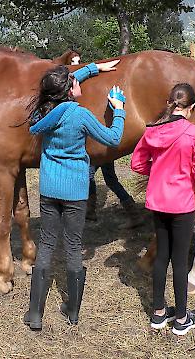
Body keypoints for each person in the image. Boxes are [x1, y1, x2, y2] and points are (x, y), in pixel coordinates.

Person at [23, 60, 125, 331]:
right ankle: (73, 311)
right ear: (69, 90)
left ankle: (35, 313)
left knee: (46, 244)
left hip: (49, 189)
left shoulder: (42, 114)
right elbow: (114, 138)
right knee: (72, 245)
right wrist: (120, 110)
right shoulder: (80, 115)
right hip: (76, 191)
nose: (78, 83)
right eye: (75, 82)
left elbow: (56, 86)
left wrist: (92, 69)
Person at [130, 83, 195, 336]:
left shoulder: (152, 131)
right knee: (179, 259)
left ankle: (158, 313)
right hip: (182, 203)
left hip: (158, 201)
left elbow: (137, 162)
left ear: (170, 103)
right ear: (192, 107)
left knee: (161, 255)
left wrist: (158, 173)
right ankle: (182, 318)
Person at [61, 50, 140, 226]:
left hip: (99, 142)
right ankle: (129, 211)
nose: (76, 63)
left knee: (93, 175)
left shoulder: (72, 105)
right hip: (102, 140)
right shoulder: (73, 89)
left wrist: (94, 67)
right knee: (109, 179)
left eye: (79, 61)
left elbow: (70, 79)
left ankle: (91, 211)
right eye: (73, 61)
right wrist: (94, 67)